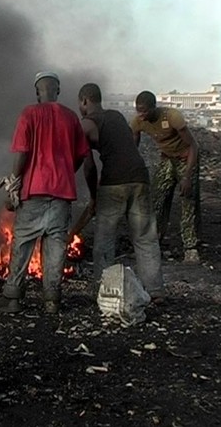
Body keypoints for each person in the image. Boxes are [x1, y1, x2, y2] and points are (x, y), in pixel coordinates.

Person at [0, 72, 90, 315]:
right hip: (62, 192)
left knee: (23, 244)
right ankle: (52, 301)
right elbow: (80, 155)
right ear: (58, 91)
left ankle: (12, 298)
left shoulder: (29, 113)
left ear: (38, 92)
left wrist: (14, 183)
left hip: (34, 190)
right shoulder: (71, 117)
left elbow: (22, 152)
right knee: (56, 246)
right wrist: (65, 172)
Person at [77, 83, 165, 302]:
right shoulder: (116, 116)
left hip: (113, 183)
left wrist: (94, 197)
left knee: (105, 239)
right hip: (140, 177)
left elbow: (88, 166)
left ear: (85, 101)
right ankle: (155, 291)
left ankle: (104, 289)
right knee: (145, 237)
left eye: (80, 103)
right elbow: (127, 145)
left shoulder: (87, 124)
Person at [131, 91, 201, 263]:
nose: (141, 114)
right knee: (157, 199)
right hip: (168, 159)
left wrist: (187, 176)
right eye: (138, 110)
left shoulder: (172, 117)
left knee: (188, 201)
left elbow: (194, 146)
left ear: (154, 107)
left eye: (144, 111)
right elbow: (134, 146)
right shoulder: (138, 122)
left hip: (186, 158)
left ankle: (191, 248)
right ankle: (154, 243)